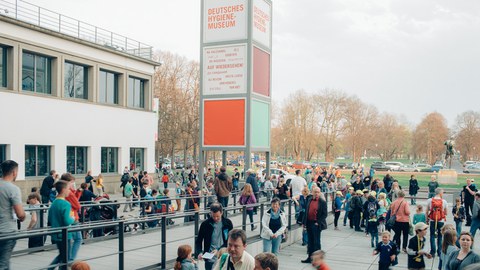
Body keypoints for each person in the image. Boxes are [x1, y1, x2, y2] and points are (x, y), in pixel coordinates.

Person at [196, 203, 233, 270]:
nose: (215, 218)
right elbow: (199, 241)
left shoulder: (228, 223)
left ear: (221, 213)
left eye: (218, 216)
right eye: (213, 216)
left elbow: (230, 240)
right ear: (210, 213)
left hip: (224, 257)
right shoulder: (205, 224)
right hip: (209, 259)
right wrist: (199, 252)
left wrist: (218, 250)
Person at [48, 180, 75, 270]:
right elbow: (67, 221)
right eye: (68, 189)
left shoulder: (54, 203)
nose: (69, 191)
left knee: (62, 255)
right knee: (65, 258)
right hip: (65, 235)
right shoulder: (66, 204)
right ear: (63, 190)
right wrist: (73, 218)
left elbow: (50, 218)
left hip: (56, 233)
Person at [301, 186, 328, 263]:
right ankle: (310, 258)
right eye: (315, 192)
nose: (316, 193)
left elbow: (324, 214)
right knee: (310, 242)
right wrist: (304, 222)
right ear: (312, 192)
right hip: (309, 223)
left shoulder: (322, 202)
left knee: (316, 242)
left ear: (319, 193)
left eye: (318, 192)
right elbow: (306, 212)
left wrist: (318, 222)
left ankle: (317, 260)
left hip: (316, 224)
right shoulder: (309, 200)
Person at [62, 173, 82, 262]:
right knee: (78, 239)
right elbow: (77, 205)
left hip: (67, 217)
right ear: (68, 182)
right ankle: (71, 259)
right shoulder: (69, 192)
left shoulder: (64, 191)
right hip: (73, 217)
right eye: (72, 182)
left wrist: (77, 192)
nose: (72, 184)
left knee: (69, 239)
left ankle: (68, 259)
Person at [426, 188, 448, 257]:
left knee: (432, 236)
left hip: (432, 220)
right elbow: (446, 212)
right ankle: (439, 252)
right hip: (440, 220)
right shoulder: (444, 201)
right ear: (440, 193)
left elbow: (427, 211)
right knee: (440, 236)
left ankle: (433, 251)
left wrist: (427, 219)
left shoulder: (430, 200)